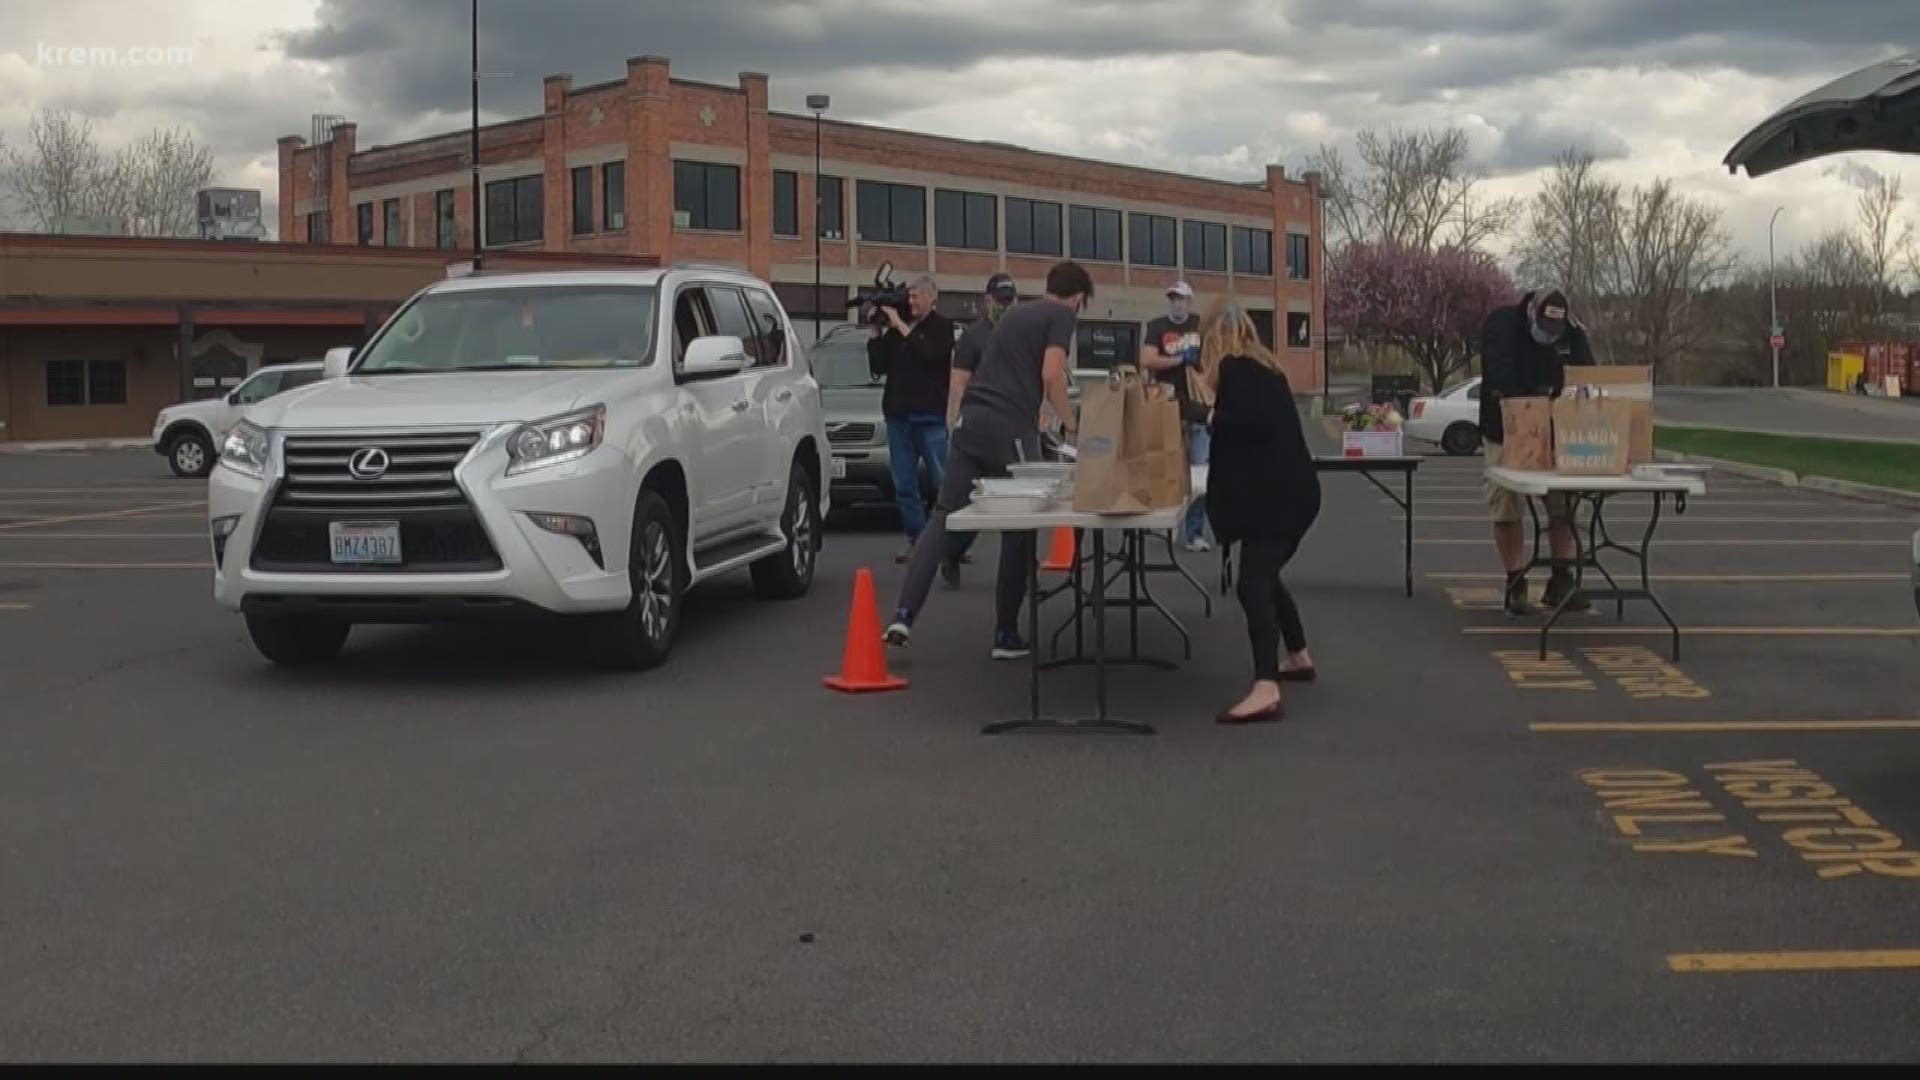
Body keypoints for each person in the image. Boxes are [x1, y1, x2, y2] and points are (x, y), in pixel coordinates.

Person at [884, 261, 1091, 660]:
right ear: (1079, 299)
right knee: (1019, 528)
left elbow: (973, 377)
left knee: (943, 516)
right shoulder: (1061, 316)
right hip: (1010, 428)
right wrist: (1070, 423)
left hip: (970, 424)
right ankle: (1005, 634)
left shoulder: (1013, 317)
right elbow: (1052, 374)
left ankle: (903, 615)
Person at [1199, 297, 1321, 724]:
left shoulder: (1234, 371)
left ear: (1213, 338)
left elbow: (1239, 431)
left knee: (1253, 585)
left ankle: (1265, 688)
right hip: (1295, 493)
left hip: (1276, 498)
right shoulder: (1267, 368)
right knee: (1266, 575)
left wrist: (1211, 417)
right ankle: (1298, 654)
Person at [1479, 286, 1593, 616]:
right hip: (1506, 430)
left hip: (1558, 435)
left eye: (1554, 333)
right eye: (1543, 329)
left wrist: (1575, 400)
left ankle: (1561, 579)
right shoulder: (1501, 325)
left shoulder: (1572, 333)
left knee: (1565, 507)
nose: (1548, 337)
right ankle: (1516, 580)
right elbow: (1500, 373)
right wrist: (1533, 406)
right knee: (1506, 505)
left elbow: (1588, 373)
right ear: (1531, 311)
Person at [866, 274, 956, 562]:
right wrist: (875, 333)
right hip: (899, 417)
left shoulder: (941, 327)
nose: (911, 302)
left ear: (932, 298)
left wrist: (902, 326)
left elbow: (929, 354)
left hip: (929, 417)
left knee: (942, 481)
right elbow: (879, 366)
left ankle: (950, 541)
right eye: (910, 297)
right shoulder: (896, 331)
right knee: (904, 484)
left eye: (916, 296)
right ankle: (917, 540)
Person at [1139, 281, 1214, 552]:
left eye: (1182, 299)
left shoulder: (1200, 325)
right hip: (1166, 406)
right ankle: (1166, 525)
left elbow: (1213, 359)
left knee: (1198, 474)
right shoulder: (1157, 326)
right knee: (1165, 469)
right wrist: (1179, 360)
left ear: (1190, 302)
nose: (1177, 304)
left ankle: (1194, 533)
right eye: (1173, 299)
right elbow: (1147, 359)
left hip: (1197, 408)